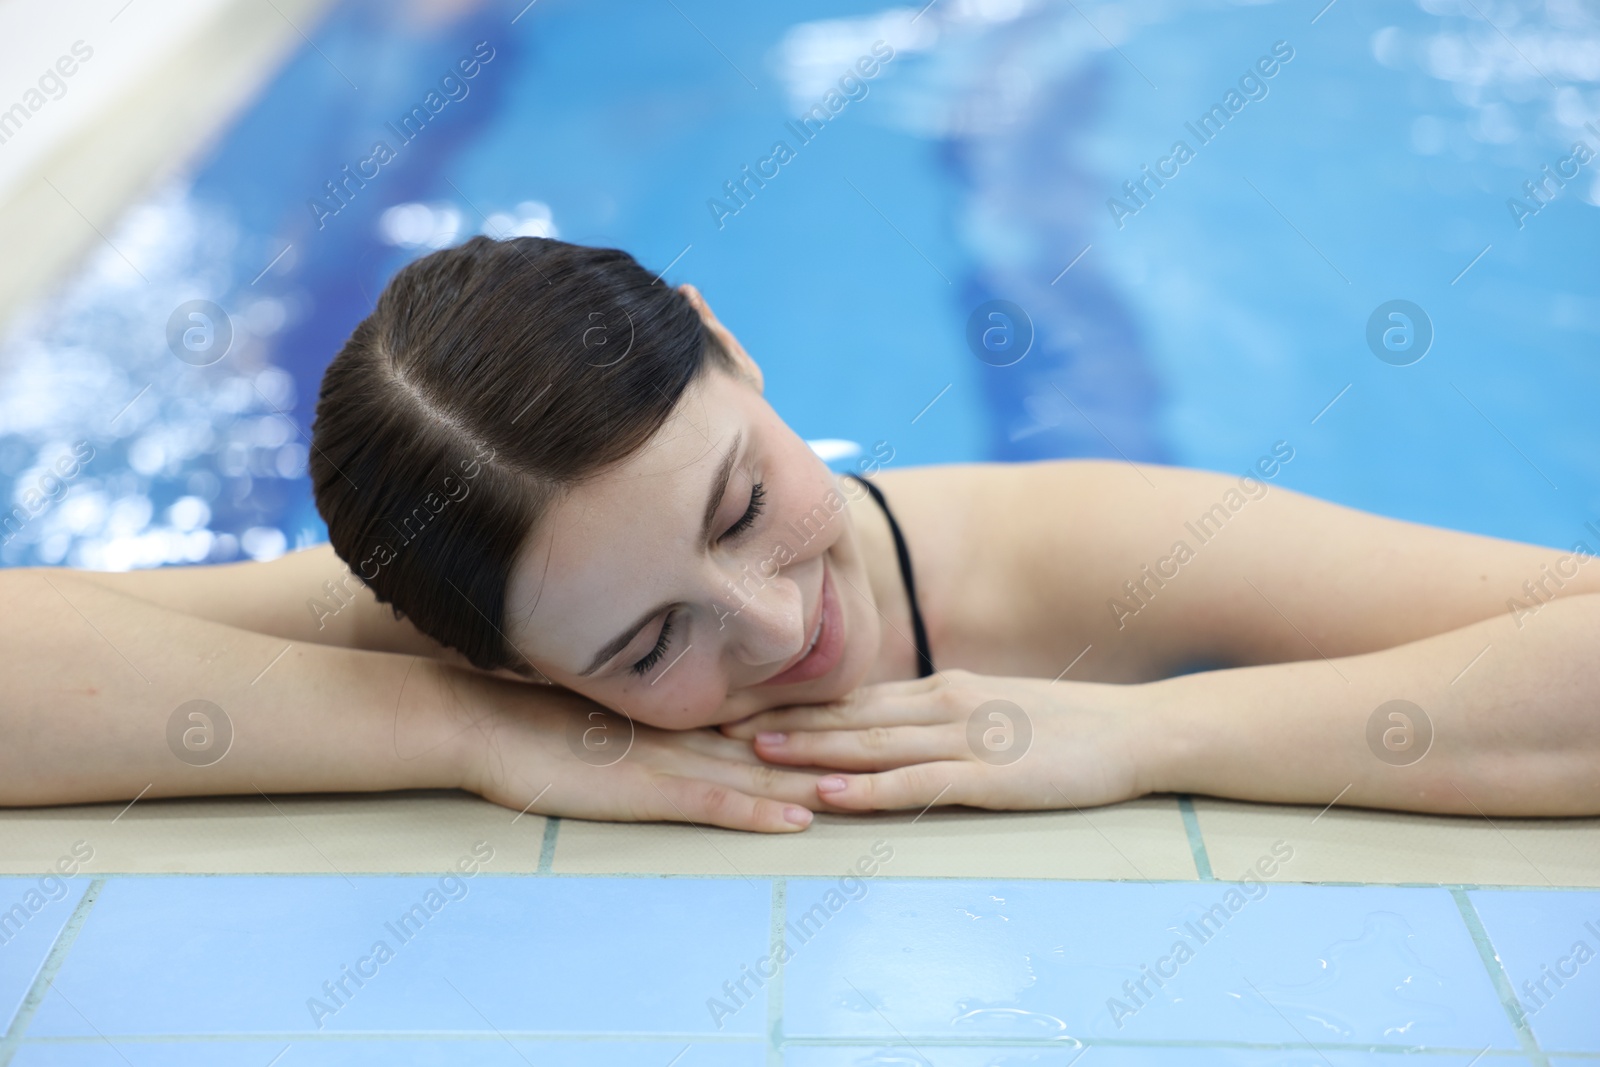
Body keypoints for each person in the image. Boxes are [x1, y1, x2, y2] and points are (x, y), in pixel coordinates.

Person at [4, 236, 1597, 834]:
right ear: (490, 653)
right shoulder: (462, 625)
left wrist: (1145, 732)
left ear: (734, 350)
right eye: (644, 647)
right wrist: (457, 734)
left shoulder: (1080, 556)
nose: (773, 631)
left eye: (747, 506)